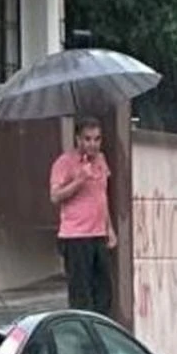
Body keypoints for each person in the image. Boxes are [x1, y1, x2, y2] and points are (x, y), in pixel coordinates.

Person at [49, 116, 116, 316]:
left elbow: (101, 196)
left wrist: (109, 229)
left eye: (97, 139)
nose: (92, 144)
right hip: (75, 237)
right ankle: (82, 341)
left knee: (104, 293)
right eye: (87, 139)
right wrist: (79, 180)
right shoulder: (65, 162)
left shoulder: (101, 160)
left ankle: (99, 336)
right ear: (78, 139)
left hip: (98, 234)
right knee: (81, 297)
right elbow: (55, 196)